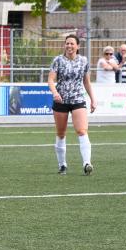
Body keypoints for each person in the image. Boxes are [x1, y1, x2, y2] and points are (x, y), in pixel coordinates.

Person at [47, 34, 97, 176]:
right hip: (61, 101)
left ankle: (87, 163)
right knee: (61, 133)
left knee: (82, 130)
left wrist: (93, 98)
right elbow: (51, 80)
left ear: (78, 46)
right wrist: (55, 93)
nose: (69, 46)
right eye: (67, 43)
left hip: (77, 100)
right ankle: (62, 165)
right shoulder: (58, 60)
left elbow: (86, 81)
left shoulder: (83, 61)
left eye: (72, 44)